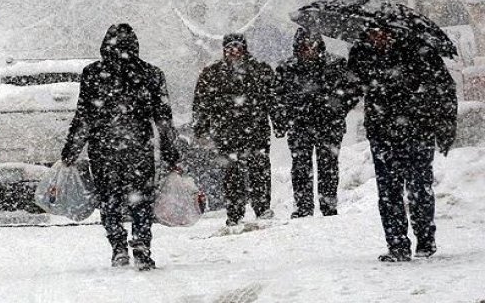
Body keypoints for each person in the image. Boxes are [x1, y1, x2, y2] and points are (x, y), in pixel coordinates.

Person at [62, 23, 179, 271]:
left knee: (109, 199)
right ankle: (142, 246)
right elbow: (163, 119)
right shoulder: (151, 74)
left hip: (104, 149)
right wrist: (171, 153)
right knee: (141, 200)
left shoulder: (93, 74)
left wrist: (71, 150)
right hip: (139, 148)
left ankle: (118, 247)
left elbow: (83, 117)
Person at [348, 27, 456, 262]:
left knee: (419, 188)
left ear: (392, 32)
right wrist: (334, 106)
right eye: (372, 34)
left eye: (382, 33)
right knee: (388, 192)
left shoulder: (418, 50)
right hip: (382, 133)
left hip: (418, 130)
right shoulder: (361, 53)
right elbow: (350, 89)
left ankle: (425, 240)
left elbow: (444, 88)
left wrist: (446, 126)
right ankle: (397, 245)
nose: (378, 38)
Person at [193, 33, 276, 228]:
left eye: (238, 47)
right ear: (224, 49)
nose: (234, 51)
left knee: (260, 169)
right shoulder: (212, 73)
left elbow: (274, 99)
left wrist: (279, 122)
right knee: (232, 173)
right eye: (230, 47)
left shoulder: (260, 70)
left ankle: (262, 207)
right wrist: (200, 128)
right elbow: (201, 103)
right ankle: (235, 212)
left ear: (245, 48)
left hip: (256, 129)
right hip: (227, 131)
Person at [273, 28, 357, 218]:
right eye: (304, 45)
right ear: (297, 47)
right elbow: (277, 98)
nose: (308, 49)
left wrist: (339, 109)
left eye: (311, 44)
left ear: (319, 45)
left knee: (328, 167)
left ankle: (328, 206)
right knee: (301, 167)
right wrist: (281, 121)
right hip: (299, 125)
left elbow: (351, 91)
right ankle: (303, 207)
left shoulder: (336, 65)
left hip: (329, 125)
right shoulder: (286, 69)